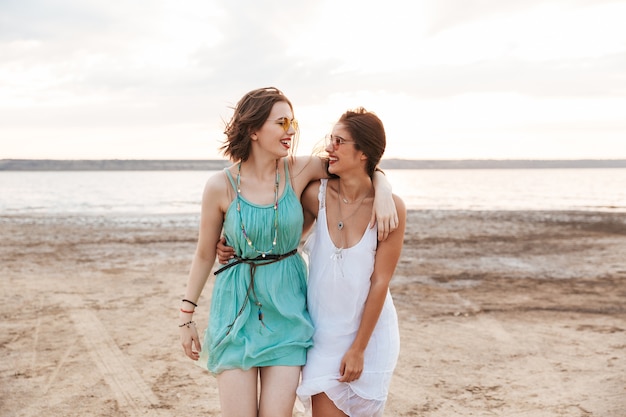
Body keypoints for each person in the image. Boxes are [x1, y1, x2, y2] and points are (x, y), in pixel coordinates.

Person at [178, 87, 398, 417]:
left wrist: (384, 189)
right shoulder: (219, 186)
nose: (291, 130)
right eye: (281, 122)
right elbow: (203, 254)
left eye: (292, 121)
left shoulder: (300, 169)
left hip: (287, 312)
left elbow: (360, 164)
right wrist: (186, 317)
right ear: (253, 130)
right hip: (235, 311)